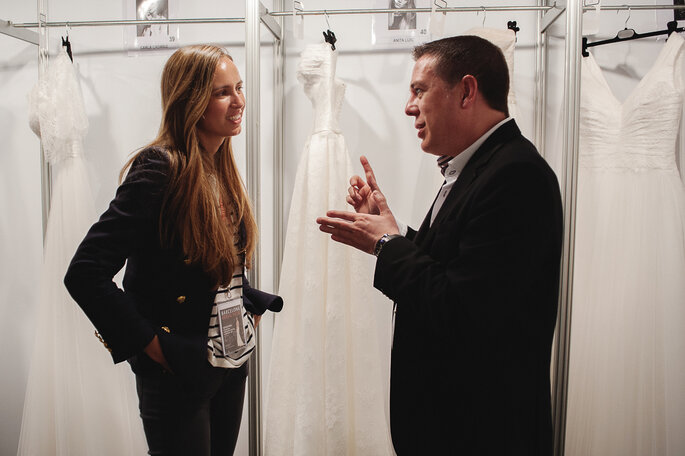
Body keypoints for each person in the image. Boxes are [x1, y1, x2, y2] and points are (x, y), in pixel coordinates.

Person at [316, 35, 563, 455]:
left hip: (482, 432)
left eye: (419, 90)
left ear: (467, 91)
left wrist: (386, 244)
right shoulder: (480, 166)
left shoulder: (516, 176)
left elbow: (463, 310)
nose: (408, 107)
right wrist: (395, 231)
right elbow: (460, 265)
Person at [64, 44, 282, 456]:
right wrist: (155, 347)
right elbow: (85, 271)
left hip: (229, 362)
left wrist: (245, 303)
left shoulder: (220, 166)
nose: (239, 102)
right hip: (180, 368)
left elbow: (219, 262)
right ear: (191, 101)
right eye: (222, 92)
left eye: (239, 87)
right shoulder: (160, 168)